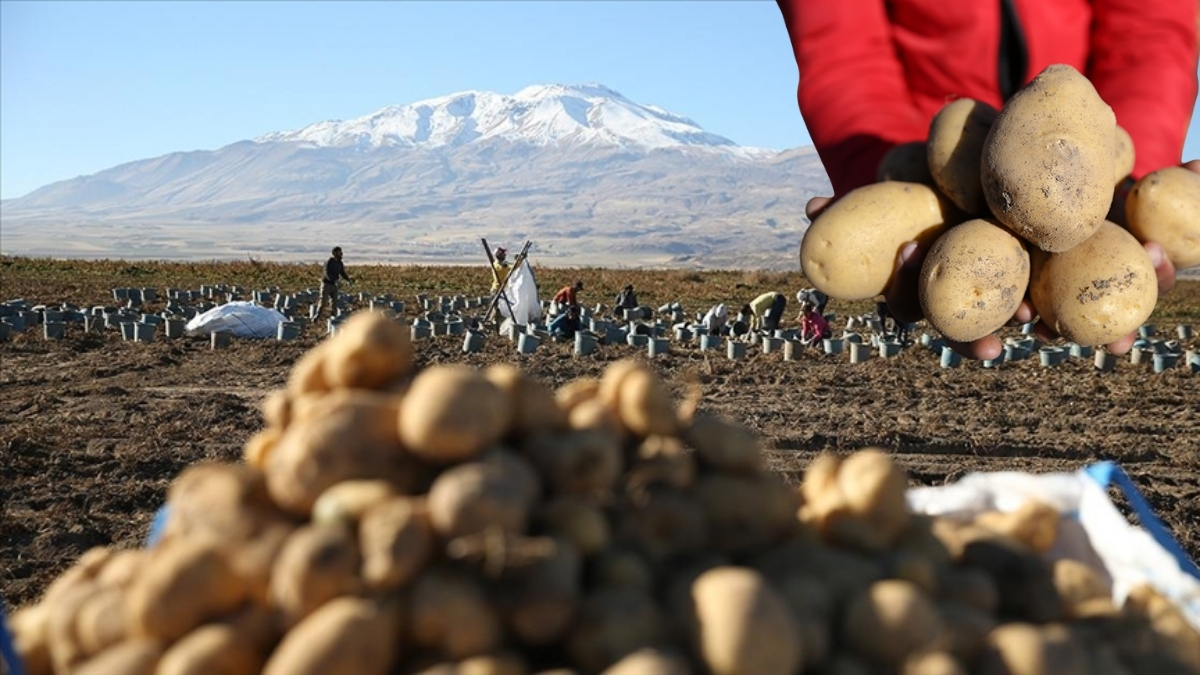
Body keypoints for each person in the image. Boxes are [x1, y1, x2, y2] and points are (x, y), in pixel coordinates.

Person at [775, 0, 1199, 360]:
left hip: (1074, 132)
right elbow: (839, 41)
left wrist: (1132, 179)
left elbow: (1152, 25)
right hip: (936, 138)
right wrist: (877, 166)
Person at [314, 246, 351, 319]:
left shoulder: (340, 263)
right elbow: (326, 273)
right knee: (323, 302)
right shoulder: (329, 262)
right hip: (326, 284)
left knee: (334, 303)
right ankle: (317, 317)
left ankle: (333, 319)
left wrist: (348, 279)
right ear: (335, 253)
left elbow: (342, 272)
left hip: (334, 285)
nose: (341, 254)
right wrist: (334, 280)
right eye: (340, 253)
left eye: (341, 253)